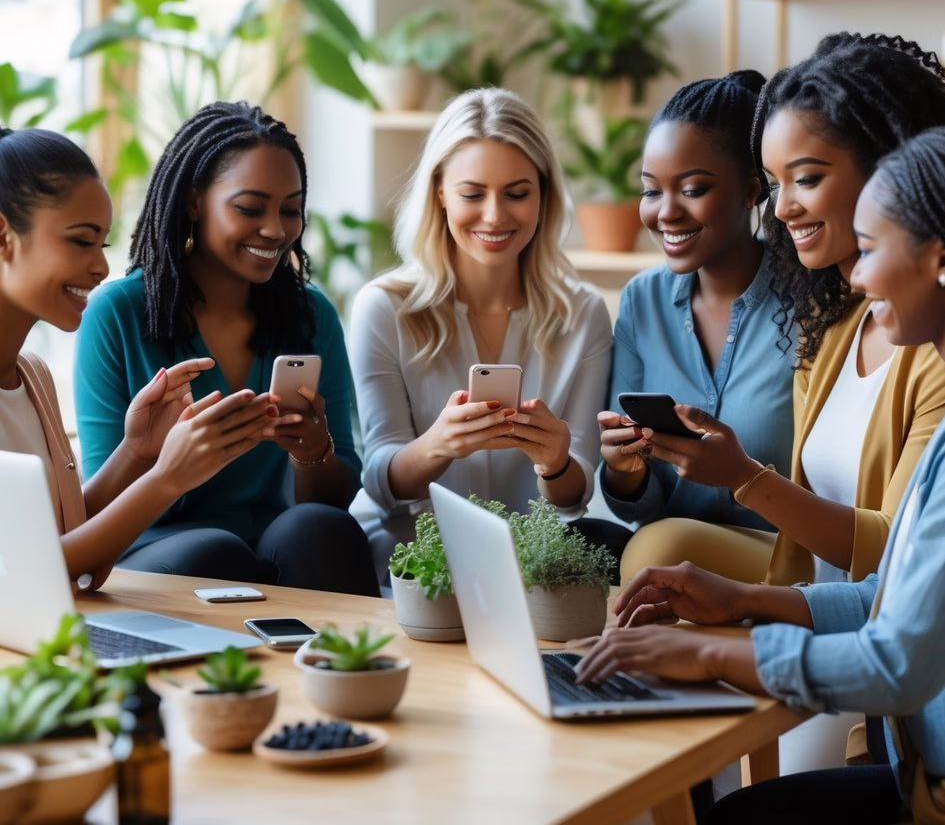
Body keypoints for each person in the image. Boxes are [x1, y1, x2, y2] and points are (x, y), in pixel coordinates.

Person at [576, 123, 945, 824]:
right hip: (931, 780)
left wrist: (708, 654)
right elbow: (897, 597)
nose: (857, 275)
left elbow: (900, 662)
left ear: (944, 259)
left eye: (872, 250)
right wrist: (741, 602)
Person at [75, 101, 378, 595]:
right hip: (151, 550)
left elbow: (336, 498)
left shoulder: (311, 315)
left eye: (291, 209)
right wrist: (164, 457)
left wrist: (313, 452)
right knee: (215, 551)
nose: (276, 230)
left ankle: (349, 670)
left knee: (319, 529)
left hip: (272, 547)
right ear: (195, 202)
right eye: (250, 208)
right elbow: (96, 505)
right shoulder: (118, 313)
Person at [348, 87, 617, 583]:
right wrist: (439, 445)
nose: (495, 216)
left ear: (544, 197)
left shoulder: (583, 314)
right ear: (440, 194)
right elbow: (380, 479)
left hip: (529, 560)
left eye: (517, 193)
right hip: (408, 553)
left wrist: (556, 462)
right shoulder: (384, 307)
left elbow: (574, 495)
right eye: (473, 194)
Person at [0, 126, 276, 590]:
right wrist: (167, 478)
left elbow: (63, 535)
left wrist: (136, 452)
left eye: (102, 244)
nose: (102, 267)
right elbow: (25, 572)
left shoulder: (33, 376)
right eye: (81, 241)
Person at [597, 71, 795, 586]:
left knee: (658, 548)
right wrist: (625, 468)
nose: (666, 213)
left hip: (787, 557)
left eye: (693, 189)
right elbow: (641, 504)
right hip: (670, 557)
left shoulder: (809, 300)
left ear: (753, 190)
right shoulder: (644, 301)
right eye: (650, 191)